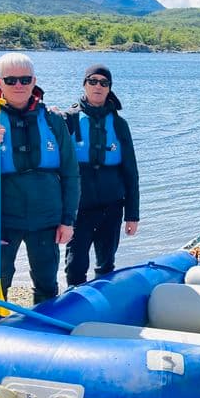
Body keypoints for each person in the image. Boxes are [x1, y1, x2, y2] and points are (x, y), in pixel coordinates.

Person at [0, 54, 80, 304]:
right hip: (2, 218)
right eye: (10, 80)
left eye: (25, 79)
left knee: (46, 283)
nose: (18, 85)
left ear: (34, 80)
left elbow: (70, 173)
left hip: (46, 218)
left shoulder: (53, 119)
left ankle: (44, 336)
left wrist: (67, 220)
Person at [62, 65, 139, 286]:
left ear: (109, 88)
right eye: (93, 81)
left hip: (112, 206)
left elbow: (131, 172)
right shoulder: (69, 119)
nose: (98, 86)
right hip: (79, 208)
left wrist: (132, 214)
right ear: (84, 85)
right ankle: (74, 304)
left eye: (103, 83)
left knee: (106, 264)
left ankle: (103, 306)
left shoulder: (118, 124)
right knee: (75, 264)